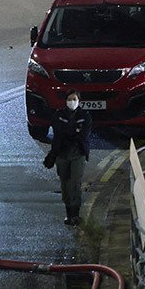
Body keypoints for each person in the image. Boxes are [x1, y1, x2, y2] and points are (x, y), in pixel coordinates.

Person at [43, 90, 91, 225]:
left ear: (79, 101)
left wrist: (69, 134)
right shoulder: (59, 115)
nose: (72, 102)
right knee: (65, 185)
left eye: (74, 99)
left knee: (75, 184)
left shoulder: (85, 116)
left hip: (78, 155)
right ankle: (68, 214)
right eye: (69, 99)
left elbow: (82, 134)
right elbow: (59, 133)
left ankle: (75, 214)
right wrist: (73, 132)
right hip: (62, 155)